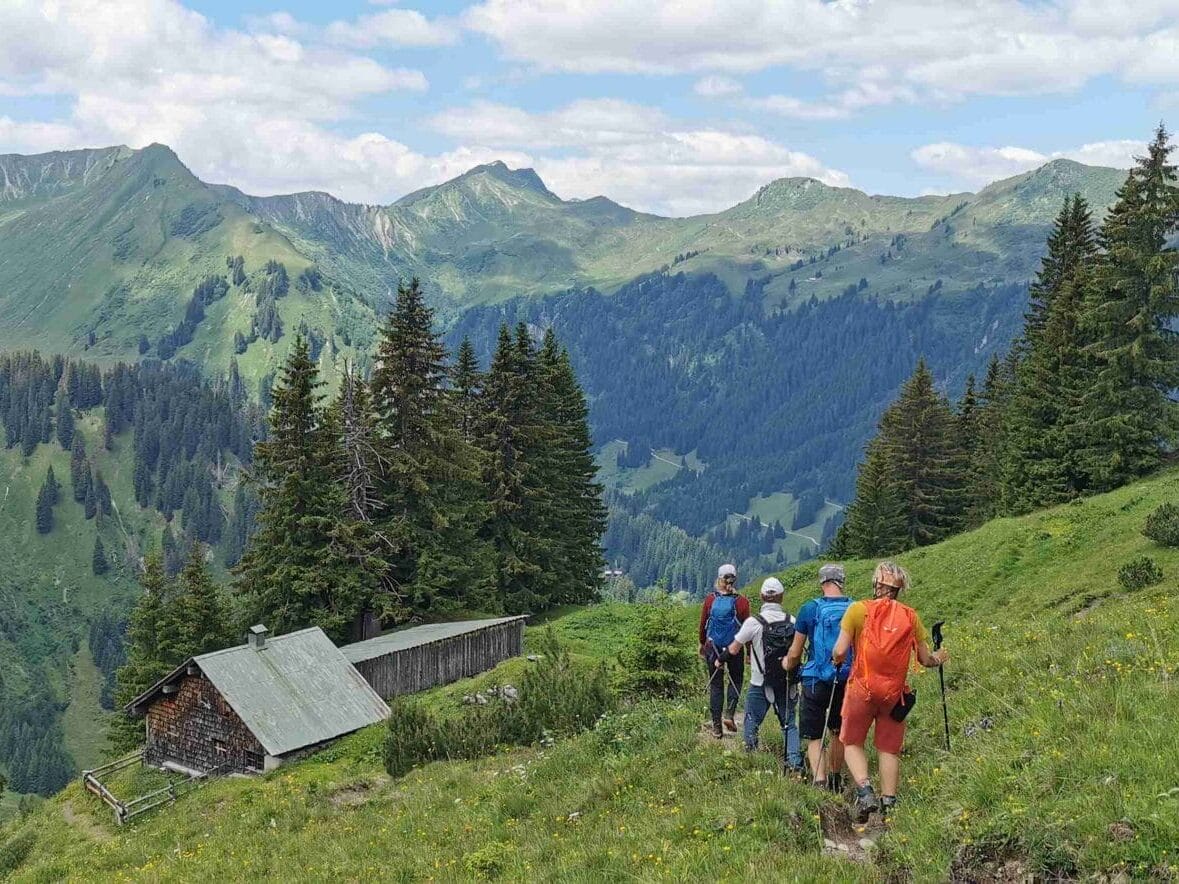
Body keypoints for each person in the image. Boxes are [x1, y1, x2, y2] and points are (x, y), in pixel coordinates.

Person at [831, 562, 949, 821]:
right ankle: (890, 806)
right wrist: (940, 658)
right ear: (898, 589)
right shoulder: (910, 616)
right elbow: (925, 658)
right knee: (888, 749)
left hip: (861, 689)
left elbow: (840, 651)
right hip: (894, 695)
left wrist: (836, 659)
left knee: (851, 743)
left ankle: (865, 791)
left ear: (876, 584)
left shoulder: (857, 610)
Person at [715, 576, 804, 773]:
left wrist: (719, 660)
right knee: (789, 724)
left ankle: (750, 758)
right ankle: (795, 765)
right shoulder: (793, 621)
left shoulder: (753, 623)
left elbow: (734, 648)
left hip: (759, 682)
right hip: (787, 682)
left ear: (762, 596)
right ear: (781, 597)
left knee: (751, 720)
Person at [785, 563, 853, 791]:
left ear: (822, 582)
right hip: (845, 678)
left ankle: (820, 781)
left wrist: (788, 663)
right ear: (842, 582)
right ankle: (835, 778)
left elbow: (795, 651)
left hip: (815, 679)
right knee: (837, 731)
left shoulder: (809, 609)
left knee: (814, 734)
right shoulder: (856, 608)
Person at [699, 563, 749, 738]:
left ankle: (717, 727)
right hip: (734, 647)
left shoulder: (710, 600)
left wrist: (702, 644)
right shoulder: (742, 602)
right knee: (736, 679)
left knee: (716, 685)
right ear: (735, 579)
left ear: (719, 579)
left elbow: (703, 625)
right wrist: (749, 652)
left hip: (713, 647)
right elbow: (746, 628)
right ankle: (729, 714)